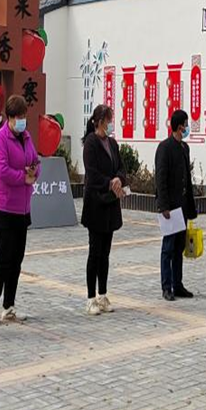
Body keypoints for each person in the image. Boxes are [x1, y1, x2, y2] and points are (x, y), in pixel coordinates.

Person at [0, 95, 40, 326]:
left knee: (17, 259)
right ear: (9, 117)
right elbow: (2, 170)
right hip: (5, 209)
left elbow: (36, 161)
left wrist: (34, 172)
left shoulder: (26, 137)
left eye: (24, 116)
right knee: (4, 259)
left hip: (23, 209)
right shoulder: (0, 139)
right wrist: (23, 177)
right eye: (18, 117)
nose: (22, 121)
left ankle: (9, 306)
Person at [80, 104, 128, 316]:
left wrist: (118, 179)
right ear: (100, 122)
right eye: (108, 121)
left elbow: (121, 168)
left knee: (106, 253)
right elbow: (92, 174)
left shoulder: (112, 143)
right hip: (96, 204)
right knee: (95, 252)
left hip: (111, 204)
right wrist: (109, 183)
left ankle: (103, 294)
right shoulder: (91, 143)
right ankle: (91, 298)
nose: (110, 125)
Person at [156, 109, 198, 301]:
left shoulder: (184, 148)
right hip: (170, 208)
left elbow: (186, 179)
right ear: (180, 126)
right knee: (168, 247)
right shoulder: (165, 148)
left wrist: (190, 205)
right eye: (186, 124)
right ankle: (166, 287)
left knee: (179, 247)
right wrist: (163, 205)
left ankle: (177, 284)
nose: (187, 128)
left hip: (182, 206)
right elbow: (161, 178)